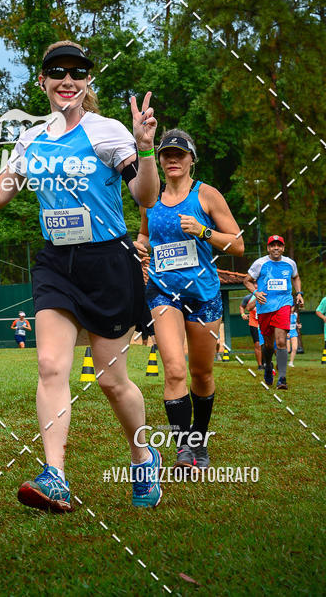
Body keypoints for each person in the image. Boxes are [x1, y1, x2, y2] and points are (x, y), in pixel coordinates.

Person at [0, 39, 162, 512]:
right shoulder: (30, 137)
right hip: (56, 263)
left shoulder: (107, 131)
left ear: (87, 80)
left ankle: (142, 454)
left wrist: (146, 149)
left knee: (113, 382)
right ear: (43, 80)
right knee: (50, 365)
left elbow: (146, 196)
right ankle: (56, 476)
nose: (67, 79)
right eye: (57, 71)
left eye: (77, 72)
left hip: (109, 262)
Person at [134, 129, 244, 472]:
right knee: (175, 371)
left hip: (203, 294)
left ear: (191, 159)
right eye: (166, 154)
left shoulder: (206, 194)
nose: (171, 160)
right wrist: (140, 246)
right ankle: (184, 448)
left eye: (179, 154)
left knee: (201, 373)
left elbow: (237, 244)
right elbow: (145, 234)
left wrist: (203, 231)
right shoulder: (149, 197)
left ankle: (200, 439)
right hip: (163, 292)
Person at [243, 235, 303, 391]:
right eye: (273, 245)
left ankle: (282, 378)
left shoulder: (290, 263)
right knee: (268, 346)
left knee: (281, 341)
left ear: (283, 248)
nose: (276, 248)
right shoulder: (260, 264)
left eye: (279, 245)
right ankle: (268, 365)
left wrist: (299, 293)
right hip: (264, 308)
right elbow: (246, 280)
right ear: (268, 248)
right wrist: (256, 293)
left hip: (284, 304)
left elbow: (296, 277)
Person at [239, 295, 263, 368]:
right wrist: (243, 314)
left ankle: (267, 362)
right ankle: (260, 365)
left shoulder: (268, 295)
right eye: (254, 284)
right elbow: (241, 306)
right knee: (257, 344)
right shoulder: (248, 298)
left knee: (267, 344)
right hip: (254, 323)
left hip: (265, 323)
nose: (256, 286)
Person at [287, 300, 301, 367]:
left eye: (292, 307)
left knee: (295, 348)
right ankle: (282, 361)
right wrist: (286, 333)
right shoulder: (285, 315)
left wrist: (298, 325)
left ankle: (291, 362)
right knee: (288, 350)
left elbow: (295, 323)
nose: (291, 308)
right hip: (287, 333)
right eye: (290, 307)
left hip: (293, 332)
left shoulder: (295, 314)